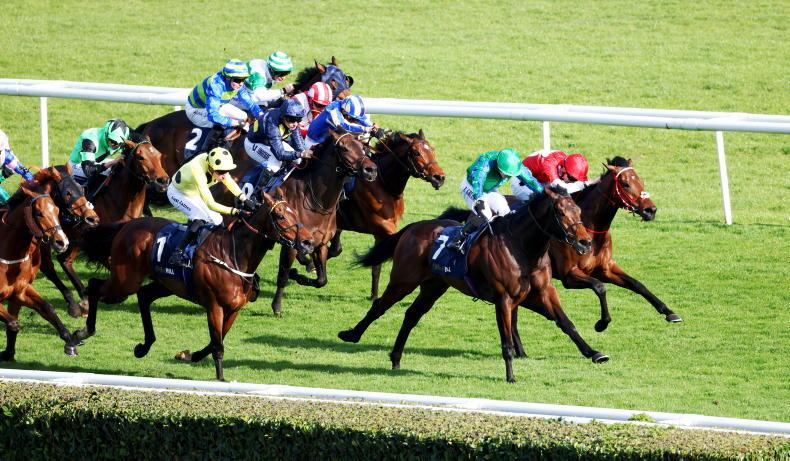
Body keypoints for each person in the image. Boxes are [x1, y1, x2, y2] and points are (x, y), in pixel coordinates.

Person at [167, 147, 259, 267]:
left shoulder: (217, 167)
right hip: (177, 193)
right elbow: (210, 204)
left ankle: (212, 250)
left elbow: (229, 182)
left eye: (226, 171)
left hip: (193, 193)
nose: (223, 176)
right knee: (199, 218)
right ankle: (177, 254)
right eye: (220, 172)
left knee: (218, 220)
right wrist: (235, 211)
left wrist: (244, 199)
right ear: (210, 167)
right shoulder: (197, 168)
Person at [447, 148, 543, 252]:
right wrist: (479, 199)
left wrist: (545, 193)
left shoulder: (516, 166)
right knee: (485, 215)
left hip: (489, 189)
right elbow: (478, 181)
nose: (508, 177)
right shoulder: (486, 161)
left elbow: (531, 181)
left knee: (505, 212)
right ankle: (458, 239)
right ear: (498, 167)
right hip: (471, 187)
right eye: (507, 174)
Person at [185, 59, 264, 156]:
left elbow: (249, 103)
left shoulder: (237, 84)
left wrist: (261, 115)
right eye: (237, 80)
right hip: (196, 110)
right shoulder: (216, 85)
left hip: (217, 106)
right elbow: (213, 116)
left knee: (243, 116)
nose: (241, 83)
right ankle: (203, 152)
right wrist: (237, 123)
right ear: (227, 78)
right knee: (228, 122)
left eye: (243, 79)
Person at [244, 98, 311, 186]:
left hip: (269, 142)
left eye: (298, 119)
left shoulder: (289, 119)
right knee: (275, 164)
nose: (295, 123)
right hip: (253, 143)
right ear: (283, 116)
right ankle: (258, 190)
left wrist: (303, 152)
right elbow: (280, 155)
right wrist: (300, 154)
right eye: (291, 119)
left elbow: (298, 141)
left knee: (298, 160)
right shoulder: (272, 123)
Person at [304, 94, 386, 148]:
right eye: (351, 118)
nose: (353, 120)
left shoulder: (345, 107)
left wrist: (373, 126)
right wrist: (365, 129)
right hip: (313, 142)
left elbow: (361, 118)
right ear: (344, 111)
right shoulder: (333, 111)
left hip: (328, 140)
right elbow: (344, 126)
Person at [67, 119, 130, 184]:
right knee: (111, 173)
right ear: (106, 135)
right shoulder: (91, 141)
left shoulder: (122, 138)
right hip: (77, 166)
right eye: (112, 141)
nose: (115, 145)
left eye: (120, 143)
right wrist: (112, 162)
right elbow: (88, 171)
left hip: (96, 162)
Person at [512, 150, 592, 201]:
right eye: (571, 178)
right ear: (564, 169)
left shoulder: (565, 163)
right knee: (545, 202)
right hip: (521, 182)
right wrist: (584, 185)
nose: (572, 181)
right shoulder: (549, 166)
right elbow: (563, 189)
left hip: (539, 180)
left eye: (575, 180)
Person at [0, 128, 34, 206]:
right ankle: (8, 204)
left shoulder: (8, 157)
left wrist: (33, 182)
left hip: (7, 165)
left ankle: (9, 204)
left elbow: (26, 173)